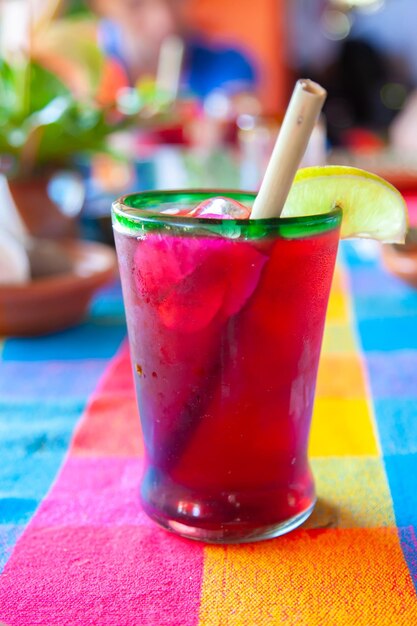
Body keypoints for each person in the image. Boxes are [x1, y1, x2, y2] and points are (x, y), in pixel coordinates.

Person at [91, 0, 257, 100]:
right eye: (135, 4)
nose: (164, 21)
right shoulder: (84, 72)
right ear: (101, 5)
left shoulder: (227, 65)